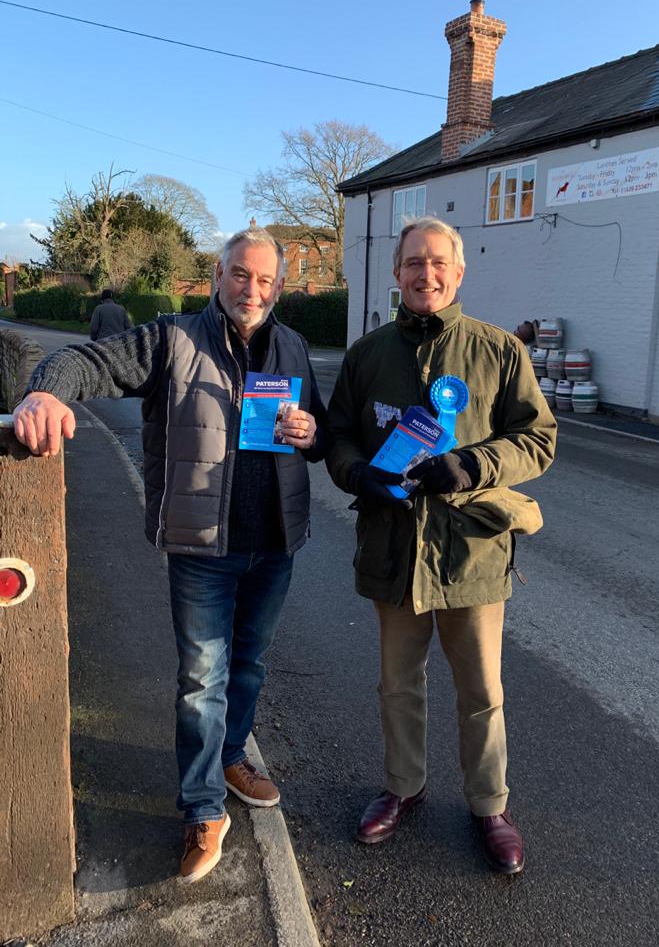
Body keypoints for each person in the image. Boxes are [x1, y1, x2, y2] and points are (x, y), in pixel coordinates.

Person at [13, 228, 327, 883]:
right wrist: (45, 390)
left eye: (267, 281)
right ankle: (203, 807)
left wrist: (310, 431)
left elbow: (317, 433)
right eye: (242, 275)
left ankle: (233, 756)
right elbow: (87, 363)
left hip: (274, 541)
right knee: (201, 680)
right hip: (202, 547)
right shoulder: (172, 338)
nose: (254, 289)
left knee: (249, 664)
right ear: (218, 275)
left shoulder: (292, 345)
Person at [325, 218, 556, 875]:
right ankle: (403, 786)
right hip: (393, 551)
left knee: (482, 690)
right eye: (412, 263)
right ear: (396, 272)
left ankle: (490, 804)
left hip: (472, 553)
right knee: (397, 685)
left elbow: (539, 439)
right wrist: (354, 472)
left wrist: (473, 467)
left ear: (458, 273)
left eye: (437, 263)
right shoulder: (367, 355)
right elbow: (338, 436)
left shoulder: (499, 352)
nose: (425, 274)